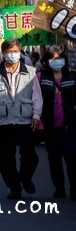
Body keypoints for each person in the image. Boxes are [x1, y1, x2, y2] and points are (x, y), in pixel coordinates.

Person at [0, 38, 43, 200]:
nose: (12, 55)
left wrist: (37, 114)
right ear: (3, 53)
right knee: (5, 158)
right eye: (9, 52)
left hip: (25, 120)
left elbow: (37, 95)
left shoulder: (30, 72)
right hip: (4, 120)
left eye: (15, 51)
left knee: (30, 155)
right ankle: (14, 187)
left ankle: (25, 177)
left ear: (20, 52)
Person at [37, 47, 76, 199]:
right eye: (52, 58)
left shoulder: (72, 76)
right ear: (46, 61)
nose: (56, 60)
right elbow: (37, 100)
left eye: (59, 57)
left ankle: (74, 187)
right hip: (50, 126)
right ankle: (59, 187)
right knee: (54, 159)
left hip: (70, 125)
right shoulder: (41, 77)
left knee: (72, 158)